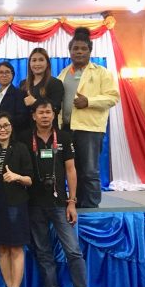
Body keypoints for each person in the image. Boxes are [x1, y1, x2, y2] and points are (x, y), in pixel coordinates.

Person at [19, 99, 96, 287]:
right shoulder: (24, 138)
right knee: (43, 252)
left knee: (73, 250)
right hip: (34, 204)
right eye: (41, 112)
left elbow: (71, 170)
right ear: (33, 116)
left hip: (59, 204)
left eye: (48, 112)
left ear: (54, 115)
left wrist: (72, 202)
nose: (45, 116)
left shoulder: (63, 137)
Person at [58, 27, 120, 208]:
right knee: (72, 170)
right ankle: (76, 205)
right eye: (75, 48)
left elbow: (113, 97)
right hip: (66, 129)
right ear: (70, 51)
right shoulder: (64, 73)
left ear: (90, 51)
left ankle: (91, 209)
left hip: (89, 129)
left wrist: (89, 101)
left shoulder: (101, 72)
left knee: (89, 171)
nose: (79, 52)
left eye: (83, 48)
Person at [0, 111, 33, 287]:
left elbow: (30, 180)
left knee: (16, 249)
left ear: (11, 128)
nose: (2, 129)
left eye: (6, 125)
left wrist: (17, 177)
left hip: (16, 204)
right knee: (2, 249)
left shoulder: (20, 148)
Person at [20, 48, 64, 128]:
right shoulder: (23, 84)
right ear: (29, 63)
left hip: (48, 130)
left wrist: (35, 102)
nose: (37, 63)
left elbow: (56, 108)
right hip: (27, 130)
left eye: (41, 60)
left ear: (47, 63)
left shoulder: (55, 83)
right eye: (34, 60)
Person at [0, 62, 28, 133]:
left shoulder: (20, 94)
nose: (4, 75)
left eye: (7, 72)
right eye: (1, 72)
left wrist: (5, 125)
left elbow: (22, 118)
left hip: (14, 134)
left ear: (12, 75)